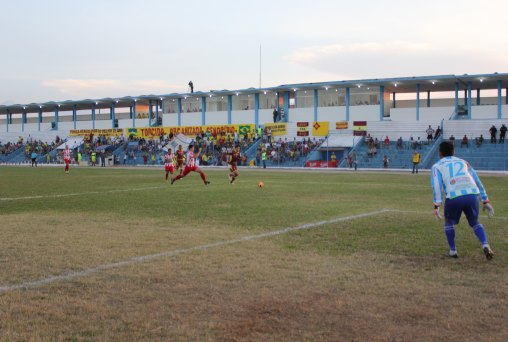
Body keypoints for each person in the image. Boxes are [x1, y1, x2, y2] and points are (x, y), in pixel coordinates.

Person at [431, 141, 494, 259]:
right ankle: (485, 244)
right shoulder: (464, 162)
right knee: (475, 222)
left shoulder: (437, 166)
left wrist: (436, 205)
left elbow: (437, 185)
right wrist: (485, 200)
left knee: (449, 223)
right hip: (472, 195)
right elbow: (476, 179)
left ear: (440, 153)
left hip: (454, 196)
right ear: (453, 152)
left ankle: (453, 251)